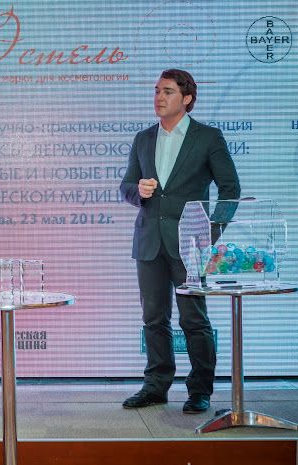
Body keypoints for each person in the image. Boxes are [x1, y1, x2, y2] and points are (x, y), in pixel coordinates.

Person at [119, 69, 241, 414]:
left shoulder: (208, 137)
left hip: (190, 246)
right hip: (149, 242)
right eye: (157, 91)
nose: (159, 97)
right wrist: (138, 191)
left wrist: (209, 234)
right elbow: (126, 187)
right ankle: (155, 386)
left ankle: (200, 390)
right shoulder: (144, 138)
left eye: (168, 92)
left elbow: (230, 189)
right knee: (153, 319)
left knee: (194, 320)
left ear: (187, 99)